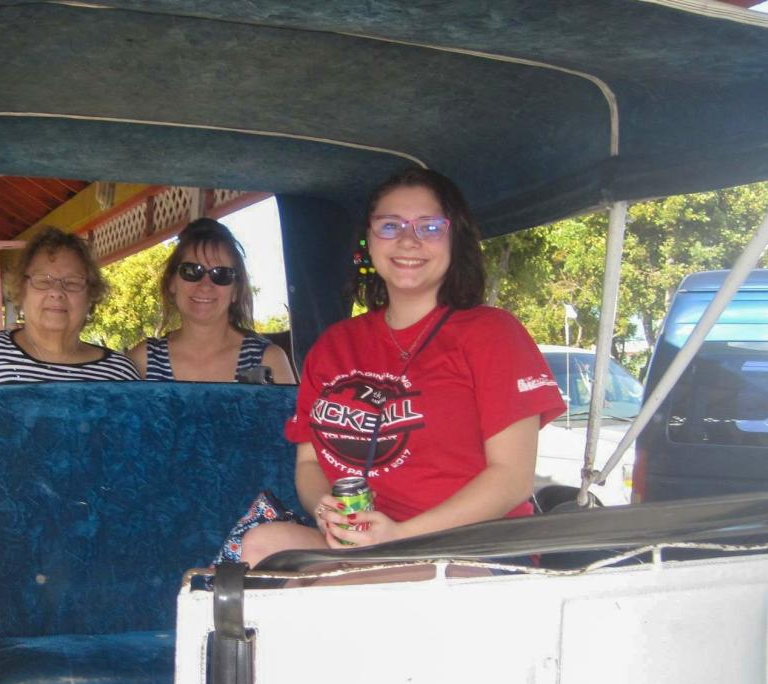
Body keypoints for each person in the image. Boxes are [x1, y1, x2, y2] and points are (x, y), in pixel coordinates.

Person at [239, 168, 566, 565]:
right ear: (368, 241)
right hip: (367, 547)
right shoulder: (334, 345)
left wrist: (401, 537)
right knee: (259, 545)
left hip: (469, 549)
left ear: (454, 238)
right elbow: (309, 463)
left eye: (429, 227)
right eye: (390, 226)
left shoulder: (493, 333)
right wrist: (325, 510)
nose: (408, 240)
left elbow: (512, 479)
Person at [0, 227, 140, 389]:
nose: (56, 291)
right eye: (42, 280)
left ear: (91, 295)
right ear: (21, 290)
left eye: (73, 282)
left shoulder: (119, 373)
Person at [127, 218, 295, 384]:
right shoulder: (143, 361)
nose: (205, 285)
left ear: (235, 290)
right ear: (172, 282)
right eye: (192, 271)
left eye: (221, 274)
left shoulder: (268, 361)